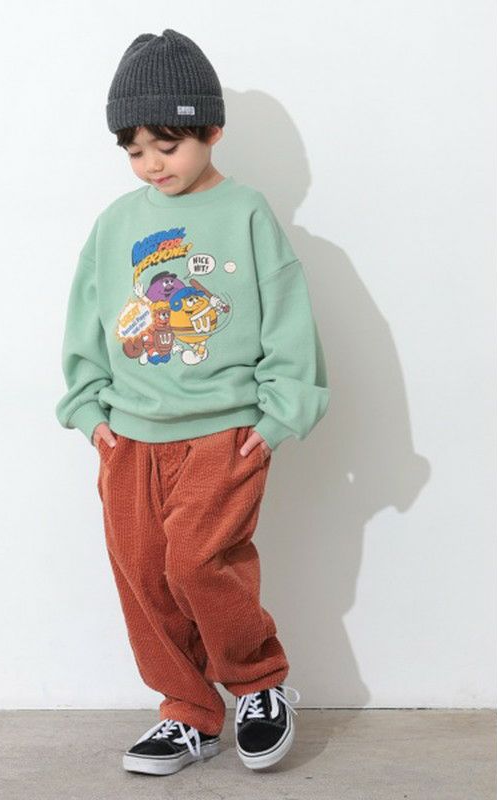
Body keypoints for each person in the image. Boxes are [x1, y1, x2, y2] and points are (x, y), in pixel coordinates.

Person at [56, 29, 330, 776]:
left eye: (168, 145)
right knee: (144, 573)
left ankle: (258, 684)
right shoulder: (116, 224)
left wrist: (278, 414)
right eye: (135, 150)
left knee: (199, 564)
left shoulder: (246, 212)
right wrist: (89, 412)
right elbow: (87, 321)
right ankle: (188, 712)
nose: (152, 163)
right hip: (129, 438)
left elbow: (288, 316)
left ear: (211, 131)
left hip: (225, 433)